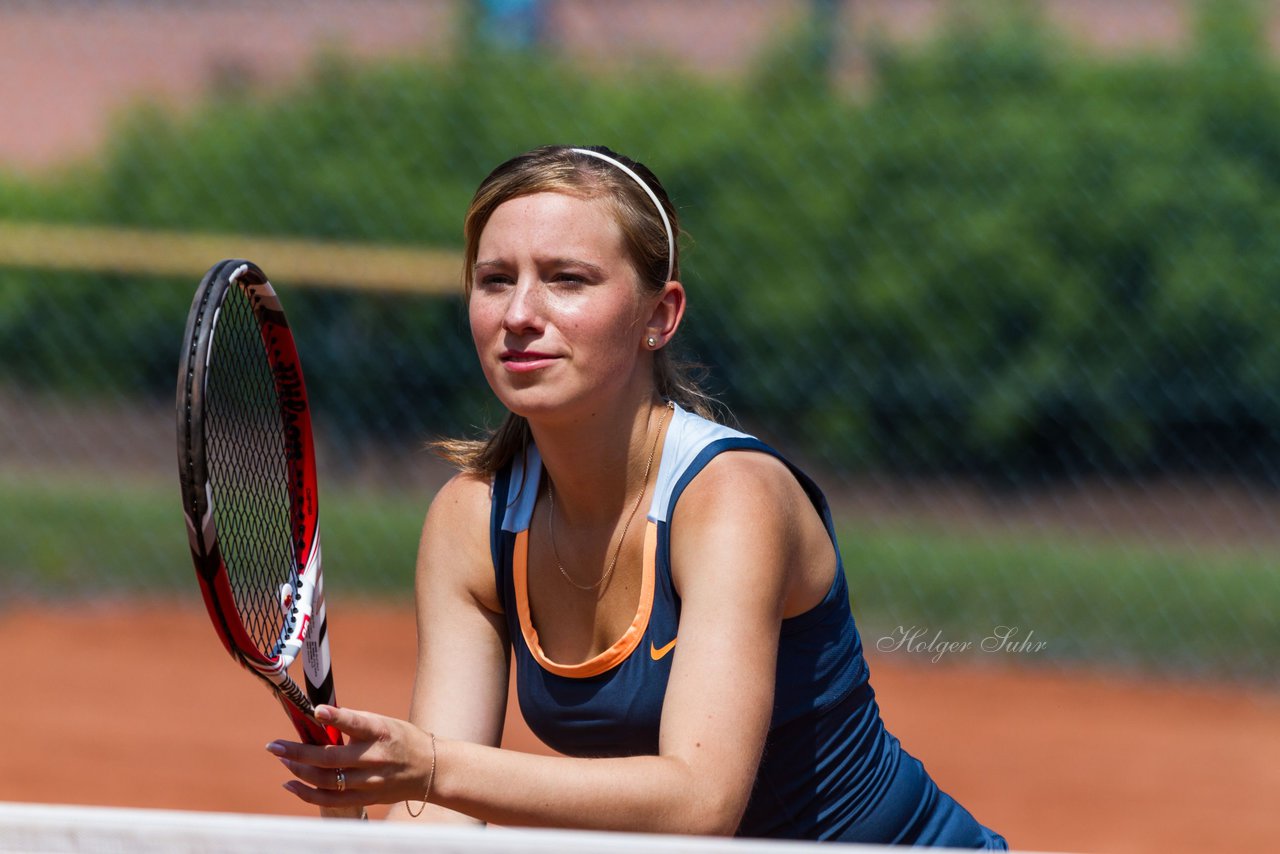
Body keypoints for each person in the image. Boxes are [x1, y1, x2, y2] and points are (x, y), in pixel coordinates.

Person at [267, 144, 1007, 847]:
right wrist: (396, 809)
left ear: (660, 315)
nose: (519, 313)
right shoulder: (472, 520)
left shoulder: (730, 500)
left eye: (567, 279)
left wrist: (430, 768)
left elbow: (698, 803)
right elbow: (438, 821)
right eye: (495, 279)